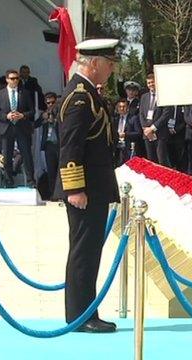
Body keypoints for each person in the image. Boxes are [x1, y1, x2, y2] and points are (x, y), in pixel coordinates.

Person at [53, 38, 120, 333]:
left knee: (89, 250)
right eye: (108, 64)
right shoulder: (80, 97)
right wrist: (74, 189)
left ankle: (85, 310)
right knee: (84, 250)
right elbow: (71, 148)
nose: (111, 69)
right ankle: (80, 316)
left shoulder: (89, 93)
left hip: (94, 185)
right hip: (86, 189)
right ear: (93, 64)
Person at [0, 69, 35, 188]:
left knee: (26, 154)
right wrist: (6, 116)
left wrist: (23, 115)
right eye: (12, 78)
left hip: (22, 127)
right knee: (7, 155)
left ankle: (31, 181)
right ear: (7, 79)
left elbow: (32, 111)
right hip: (6, 127)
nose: (15, 81)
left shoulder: (25, 93)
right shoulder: (0, 94)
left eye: (16, 78)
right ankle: (8, 181)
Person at [139, 73, 172, 166]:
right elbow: (141, 114)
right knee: (151, 161)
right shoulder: (144, 97)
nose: (151, 85)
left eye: (152, 82)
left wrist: (152, 128)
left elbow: (166, 114)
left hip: (159, 133)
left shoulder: (164, 95)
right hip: (147, 134)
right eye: (148, 83)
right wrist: (146, 129)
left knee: (162, 160)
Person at [34, 92, 60, 197]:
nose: (50, 105)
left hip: (59, 144)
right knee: (51, 171)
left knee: (60, 171)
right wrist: (43, 118)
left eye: (53, 102)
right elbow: (35, 125)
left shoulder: (60, 113)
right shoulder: (44, 114)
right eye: (48, 103)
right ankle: (53, 194)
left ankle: (61, 194)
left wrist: (54, 119)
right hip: (48, 145)